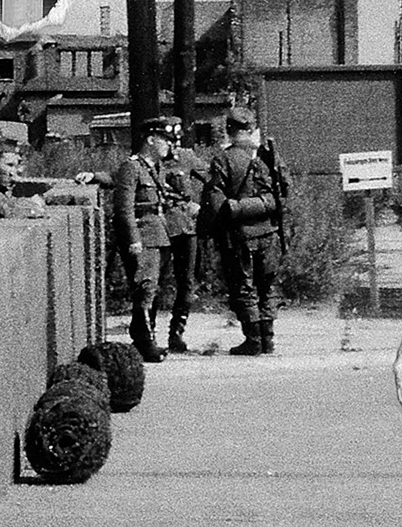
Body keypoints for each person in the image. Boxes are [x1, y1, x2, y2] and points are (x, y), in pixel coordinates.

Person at [203, 107, 288, 356]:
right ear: (251, 129)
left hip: (240, 235)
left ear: (230, 130)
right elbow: (285, 191)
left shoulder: (224, 159)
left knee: (244, 285)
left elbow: (216, 201)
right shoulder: (269, 156)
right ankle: (268, 339)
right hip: (269, 232)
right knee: (268, 285)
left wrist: (215, 231)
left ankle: (253, 340)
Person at [112, 120, 174, 362]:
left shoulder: (153, 168)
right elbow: (124, 209)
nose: (169, 145)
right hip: (144, 235)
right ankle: (144, 341)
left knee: (153, 288)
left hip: (159, 234)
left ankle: (148, 338)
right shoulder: (132, 167)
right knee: (145, 288)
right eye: (164, 139)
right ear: (150, 140)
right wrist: (133, 239)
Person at [158, 120, 209, 353]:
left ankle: (176, 332)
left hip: (186, 227)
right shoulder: (150, 160)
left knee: (186, 281)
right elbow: (121, 175)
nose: (172, 146)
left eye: (174, 141)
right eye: (168, 141)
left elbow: (215, 179)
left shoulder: (187, 158)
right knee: (154, 281)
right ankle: (148, 332)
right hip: (160, 227)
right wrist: (95, 175)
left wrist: (203, 207)